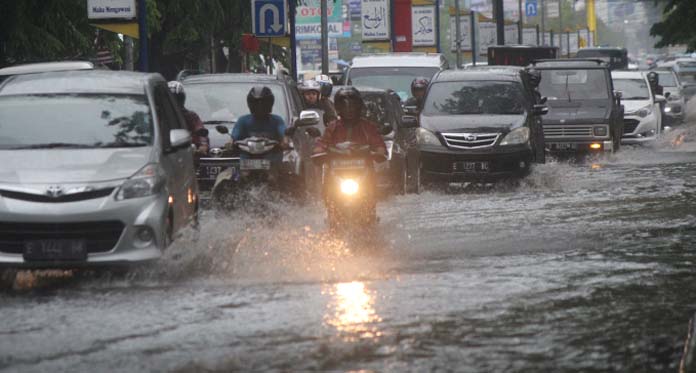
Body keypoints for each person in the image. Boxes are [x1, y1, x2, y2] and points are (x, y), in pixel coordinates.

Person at [229, 86, 287, 165]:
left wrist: (285, 141)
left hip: (272, 161)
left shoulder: (277, 120)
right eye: (256, 103)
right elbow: (234, 136)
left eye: (263, 103)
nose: (259, 107)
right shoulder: (243, 121)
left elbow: (284, 133)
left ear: (269, 103)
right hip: (246, 160)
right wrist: (230, 142)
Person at [168, 81, 209, 155]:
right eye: (170, 100)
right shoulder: (159, 118)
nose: (174, 103)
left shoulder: (191, 116)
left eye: (176, 99)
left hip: (188, 153)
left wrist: (203, 145)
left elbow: (201, 131)